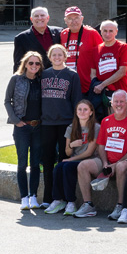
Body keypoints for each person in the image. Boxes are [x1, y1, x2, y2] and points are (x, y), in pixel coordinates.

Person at [74, 90, 127, 219]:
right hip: (107, 161)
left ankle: (121, 206)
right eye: (116, 101)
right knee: (83, 166)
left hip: (126, 160)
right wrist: (105, 163)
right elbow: (101, 145)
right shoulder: (106, 121)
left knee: (121, 167)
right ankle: (88, 205)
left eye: (122, 101)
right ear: (111, 103)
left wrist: (115, 164)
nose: (118, 104)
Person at [40, 44, 81, 207]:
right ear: (49, 58)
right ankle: (49, 198)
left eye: (60, 55)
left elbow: (77, 100)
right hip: (47, 123)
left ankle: (64, 198)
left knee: (64, 160)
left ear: (65, 57)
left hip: (66, 123)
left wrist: (75, 123)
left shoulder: (72, 75)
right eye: (54, 55)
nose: (57, 58)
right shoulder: (43, 74)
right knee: (48, 161)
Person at [43, 99, 100, 217]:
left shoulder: (96, 127)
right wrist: (71, 145)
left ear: (91, 112)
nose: (82, 112)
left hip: (90, 160)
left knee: (67, 166)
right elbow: (67, 152)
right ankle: (58, 200)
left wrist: (71, 160)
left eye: (85, 109)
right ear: (76, 112)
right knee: (59, 167)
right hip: (75, 160)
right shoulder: (71, 127)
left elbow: (89, 152)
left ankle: (71, 202)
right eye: (80, 109)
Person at [5, 51, 45, 210]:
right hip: (22, 127)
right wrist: (16, 121)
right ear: (25, 64)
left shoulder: (42, 81)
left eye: (37, 63)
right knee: (22, 163)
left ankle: (33, 196)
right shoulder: (16, 79)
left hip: (38, 127)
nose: (34, 66)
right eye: (31, 63)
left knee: (35, 163)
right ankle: (23, 198)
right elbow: (7, 101)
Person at [60, 6, 102, 91]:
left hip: (87, 84)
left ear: (82, 19)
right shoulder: (63, 34)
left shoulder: (92, 33)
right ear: (65, 20)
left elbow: (101, 56)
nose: (73, 21)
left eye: (76, 18)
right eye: (70, 18)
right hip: (68, 83)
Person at [93, 20, 127, 96]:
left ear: (116, 32)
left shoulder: (123, 47)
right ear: (101, 31)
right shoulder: (96, 49)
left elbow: (122, 71)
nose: (108, 34)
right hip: (101, 92)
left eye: (111, 31)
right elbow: (93, 73)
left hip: (120, 91)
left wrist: (103, 85)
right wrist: (97, 85)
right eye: (105, 31)